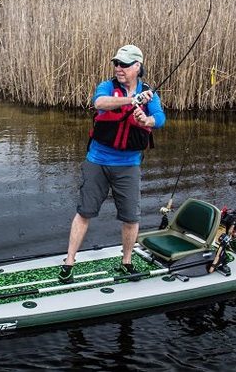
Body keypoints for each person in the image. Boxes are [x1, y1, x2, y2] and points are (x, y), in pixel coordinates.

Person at [59, 44, 166, 283]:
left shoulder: (150, 94)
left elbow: (160, 118)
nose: (119, 68)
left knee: (130, 217)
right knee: (84, 212)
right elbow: (100, 103)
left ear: (137, 67)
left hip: (129, 165)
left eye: (124, 64)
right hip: (97, 161)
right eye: (116, 63)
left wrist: (146, 119)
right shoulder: (108, 86)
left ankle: (126, 261)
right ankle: (69, 262)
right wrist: (130, 100)